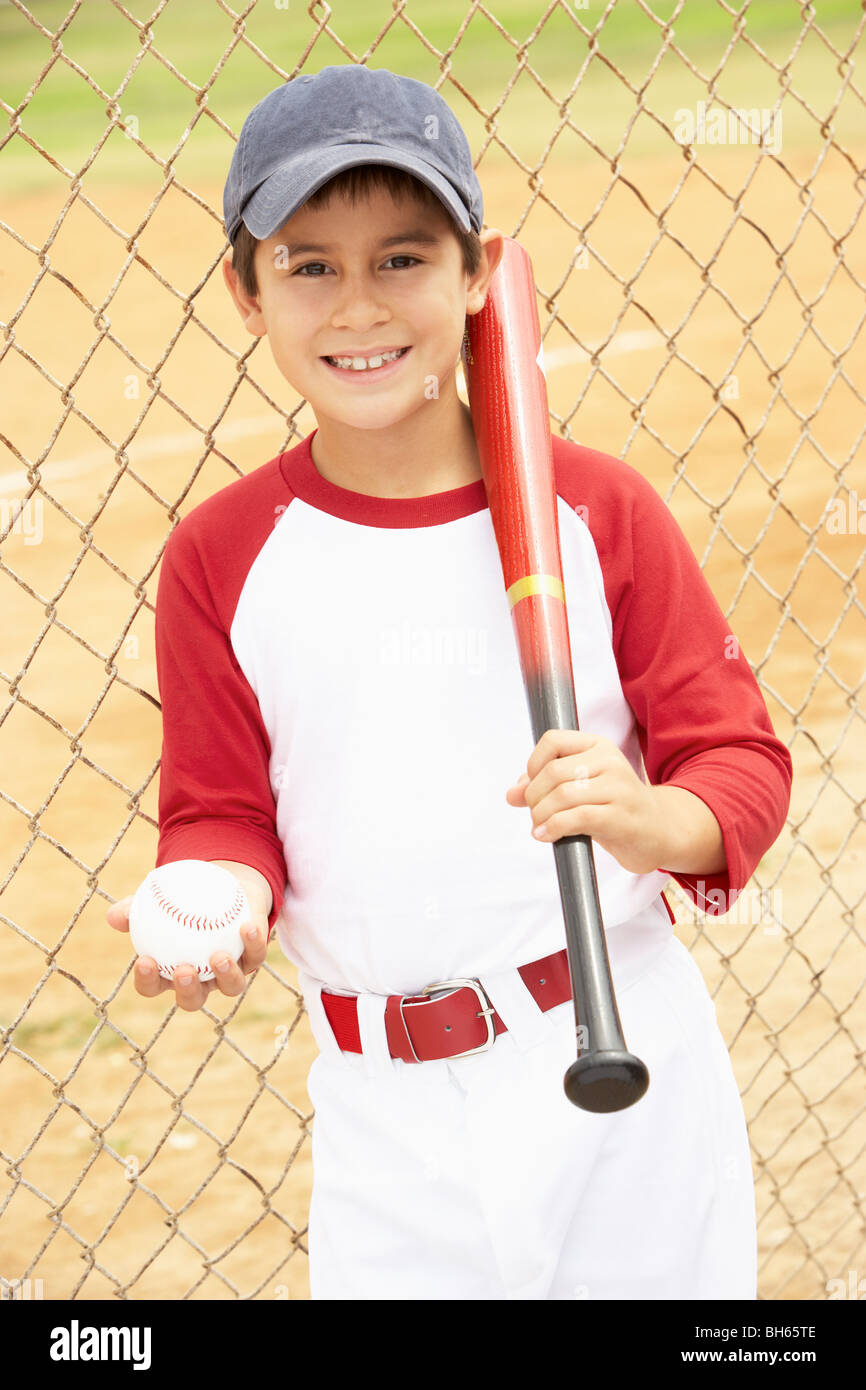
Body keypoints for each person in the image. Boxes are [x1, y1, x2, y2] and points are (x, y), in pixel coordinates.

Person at [107, 64, 792, 1300]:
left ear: (476, 273)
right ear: (245, 293)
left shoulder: (595, 510)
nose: (358, 305)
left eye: (402, 259)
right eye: (308, 264)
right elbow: (217, 807)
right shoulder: (222, 554)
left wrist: (649, 817)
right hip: (377, 1118)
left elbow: (738, 765)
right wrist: (215, 888)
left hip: (612, 1074)